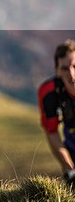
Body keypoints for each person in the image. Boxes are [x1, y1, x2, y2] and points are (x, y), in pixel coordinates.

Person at [37, 39, 75, 185]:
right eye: (65, 68)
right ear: (57, 70)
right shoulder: (49, 93)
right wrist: (70, 169)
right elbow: (51, 131)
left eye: (74, 66)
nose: (71, 74)